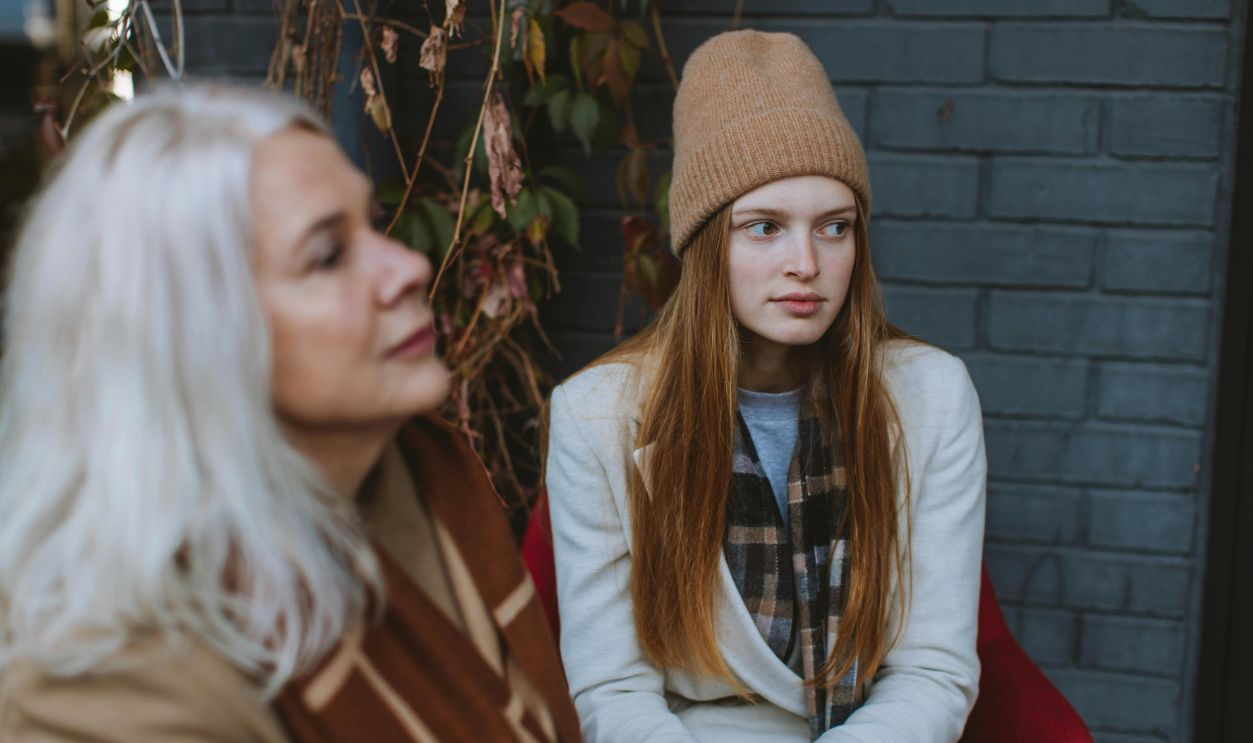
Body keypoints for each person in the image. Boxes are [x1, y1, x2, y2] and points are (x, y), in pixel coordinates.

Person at [0, 84, 581, 742]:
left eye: (373, 224)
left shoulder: (423, 472)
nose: (409, 266)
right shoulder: (105, 677)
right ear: (188, 340)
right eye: (328, 255)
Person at [545, 30, 986, 742]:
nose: (805, 263)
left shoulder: (931, 395)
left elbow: (932, 670)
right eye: (764, 228)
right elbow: (612, 688)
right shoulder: (597, 414)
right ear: (705, 243)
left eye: (833, 227)